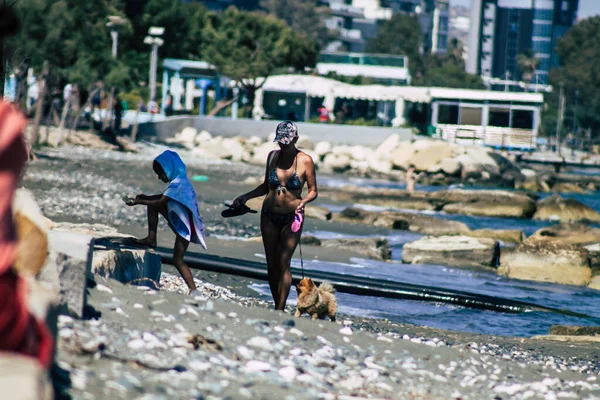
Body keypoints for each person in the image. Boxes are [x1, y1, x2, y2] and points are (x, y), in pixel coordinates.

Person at [231, 121, 318, 311]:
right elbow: (265, 186)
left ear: (295, 139)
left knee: (283, 262)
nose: (283, 145)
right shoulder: (272, 157)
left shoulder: (305, 160)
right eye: (280, 141)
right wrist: (245, 197)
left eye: (286, 141)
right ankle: (276, 302)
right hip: (269, 214)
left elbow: (313, 191)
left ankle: (280, 308)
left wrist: (304, 202)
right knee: (271, 264)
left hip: (292, 217)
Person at [125, 150, 207, 294]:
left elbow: (161, 201)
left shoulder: (177, 185)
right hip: (182, 224)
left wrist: (138, 201)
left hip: (185, 229)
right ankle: (151, 238)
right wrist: (146, 198)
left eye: (160, 173)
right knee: (151, 203)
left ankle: (193, 290)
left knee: (177, 260)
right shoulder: (182, 181)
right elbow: (161, 197)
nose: (158, 177)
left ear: (168, 169)